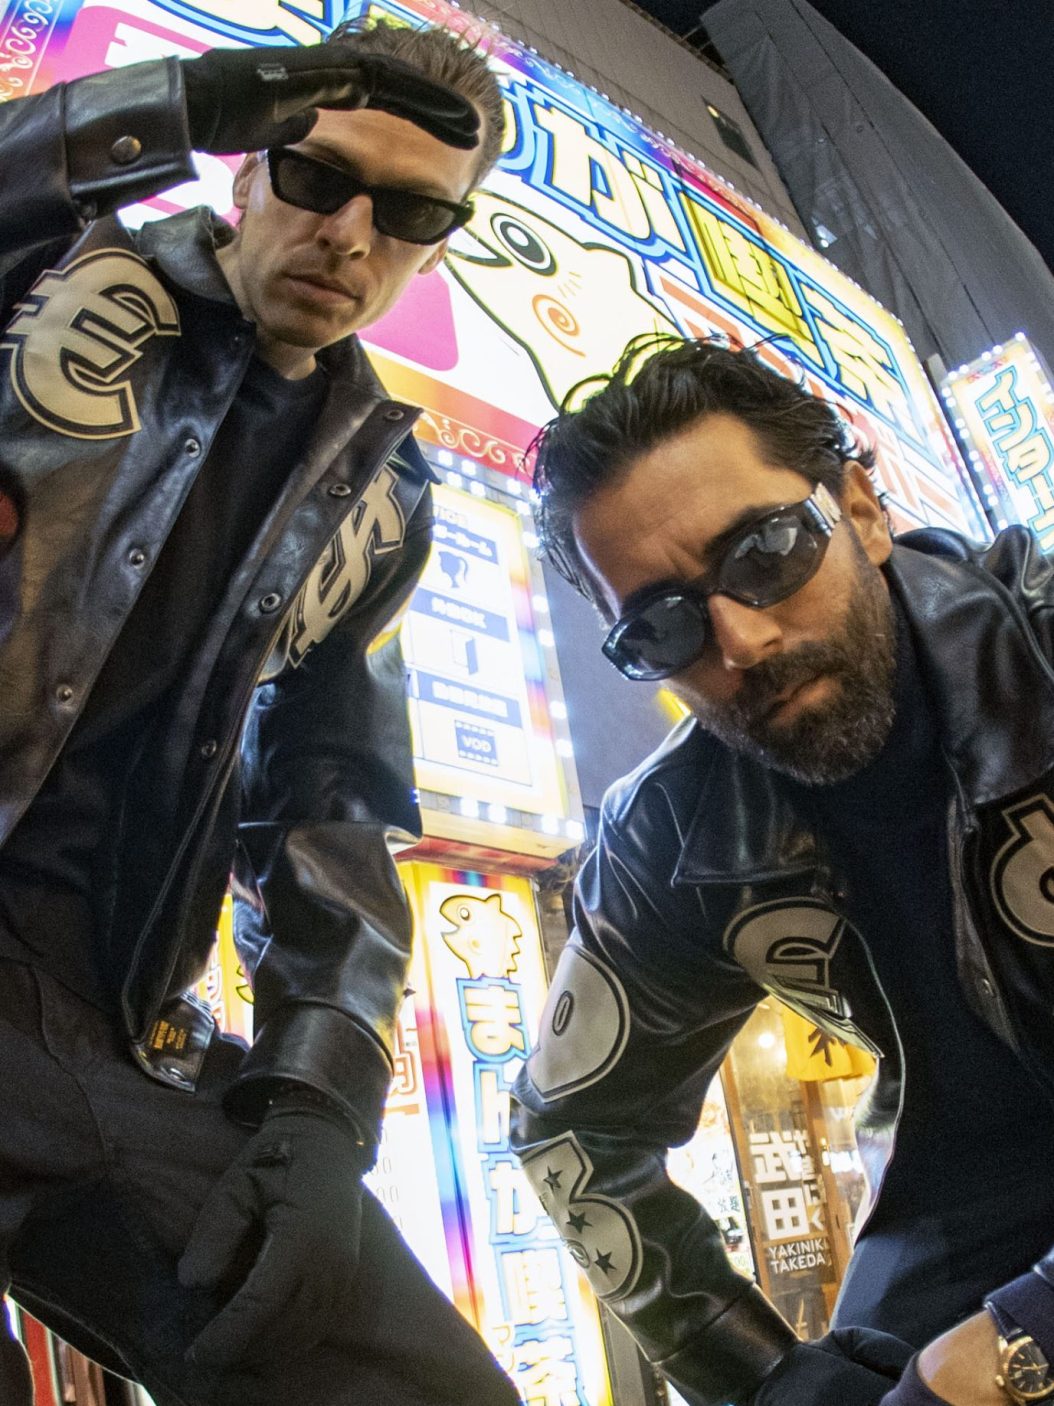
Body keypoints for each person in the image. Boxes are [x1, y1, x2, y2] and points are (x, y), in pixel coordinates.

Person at [0, 17, 519, 1406]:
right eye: (315, 174)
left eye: (407, 211)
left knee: (415, 1383)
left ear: (437, 245)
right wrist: (175, 103)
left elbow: (329, 796)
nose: (349, 233)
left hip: (85, 1015)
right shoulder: (56, 267)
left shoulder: (383, 496)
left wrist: (317, 1096)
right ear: (244, 167)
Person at [510, 335, 1054, 1406]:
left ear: (860, 508)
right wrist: (760, 1375)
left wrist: (1022, 1340)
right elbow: (576, 1129)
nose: (740, 640)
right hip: (966, 1191)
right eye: (661, 625)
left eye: (763, 551)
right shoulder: (670, 836)